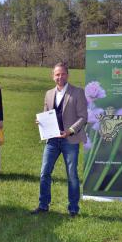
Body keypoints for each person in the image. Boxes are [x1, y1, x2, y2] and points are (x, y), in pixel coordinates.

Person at [31, 62, 87, 217]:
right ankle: (43, 205)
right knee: (44, 173)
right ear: (52, 76)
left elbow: (84, 117)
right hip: (52, 141)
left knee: (72, 175)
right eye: (57, 74)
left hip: (71, 140)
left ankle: (73, 209)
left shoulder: (77, 92)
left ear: (67, 75)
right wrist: (40, 121)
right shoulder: (49, 94)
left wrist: (70, 131)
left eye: (62, 74)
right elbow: (46, 113)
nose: (60, 77)